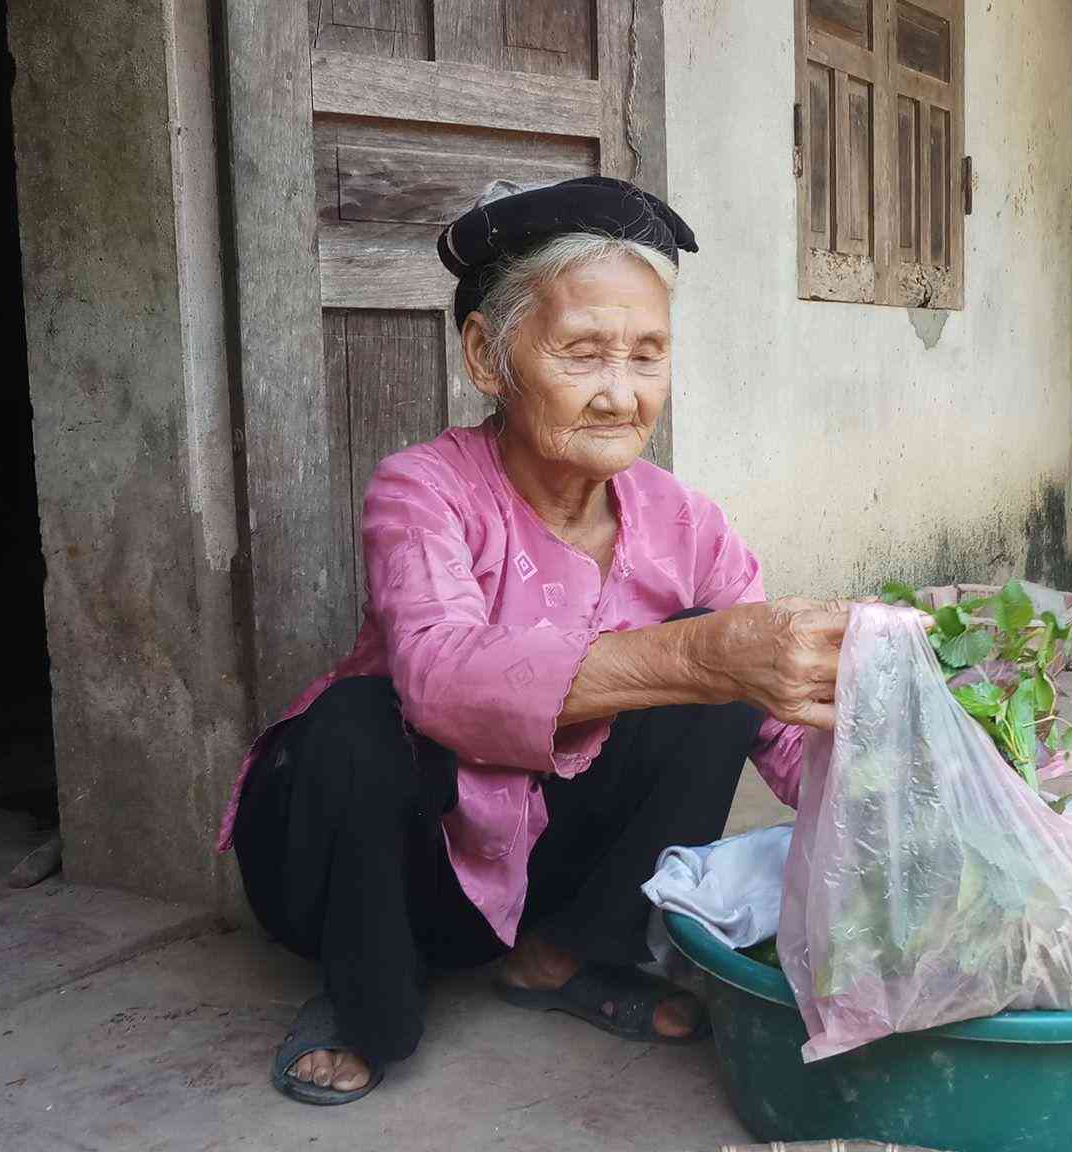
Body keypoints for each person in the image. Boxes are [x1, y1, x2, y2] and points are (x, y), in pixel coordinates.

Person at [216, 176, 849, 1105]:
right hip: (379, 868)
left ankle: (561, 956)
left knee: (720, 667)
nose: (620, 394)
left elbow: (785, 725)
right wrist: (701, 658)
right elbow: (436, 680)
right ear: (487, 356)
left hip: (533, 865)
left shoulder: (687, 522)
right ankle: (365, 1003)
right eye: (584, 354)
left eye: (647, 356)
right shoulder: (424, 488)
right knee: (359, 719)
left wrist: (914, 790)